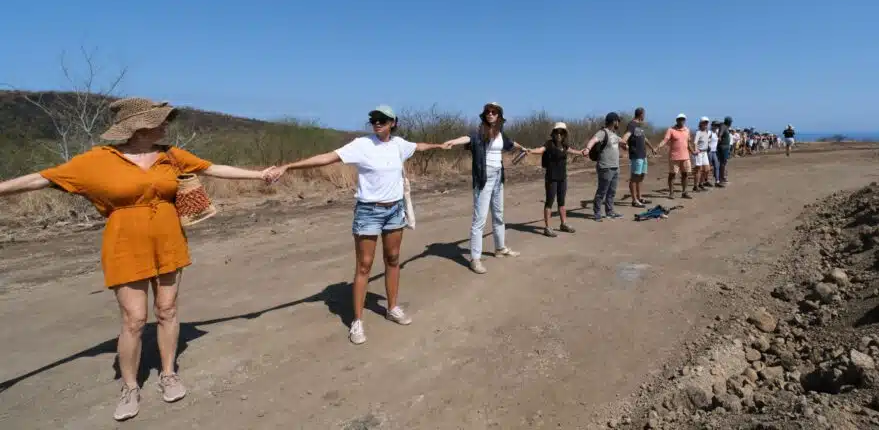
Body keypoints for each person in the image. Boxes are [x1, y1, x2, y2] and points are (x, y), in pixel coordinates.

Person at [0, 97, 273, 421]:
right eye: (160, 122)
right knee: (134, 319)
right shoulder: (98, 160)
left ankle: (169, 373)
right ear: (139, 128)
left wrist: (260, 176)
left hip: (169, 241)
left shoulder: (171, 156)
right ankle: (130, 387)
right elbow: (42, 178)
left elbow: (212, 168)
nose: (166, 126)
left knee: (167, 310)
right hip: (124, 245)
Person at [267, 105, 445, 345]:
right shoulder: (361, 145)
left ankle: (392, 307)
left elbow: (419, 146)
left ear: (393, 122)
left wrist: (440, 145)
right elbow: (326, 158)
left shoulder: (399, 145)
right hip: (369, 212)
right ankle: (357, 321)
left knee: (393, 258)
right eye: (373, 119)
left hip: (395, 210)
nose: (377, 123)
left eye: (382, 119)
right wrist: (288, 166)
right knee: (364, 265)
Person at [442, 102, 528, 274]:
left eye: (494, 112)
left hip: (498, 177)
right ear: (484, 115)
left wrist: (523, 147)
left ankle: (500, 248)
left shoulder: (500, 133)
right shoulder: (480, 132)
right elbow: (468, 138)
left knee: (499, 214)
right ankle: (475, 259)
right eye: (488, 111)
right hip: (484, 178)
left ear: (499, 116)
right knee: (479, 219)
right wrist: (453, 141)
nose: (490, 114)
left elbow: (510, 143)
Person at [526, 122, 584, 236]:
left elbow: (573, 151)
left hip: (562, 178)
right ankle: (547, 228)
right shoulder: (549, 144)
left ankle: (563, 224)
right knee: (549, 202)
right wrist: (530, 150)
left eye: (561, 133)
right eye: (557, 132)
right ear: (553, 133)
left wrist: (582, 152)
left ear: (564, 134)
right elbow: (540, 150)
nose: (559, 135)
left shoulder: (565, 146)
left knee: (561, 202)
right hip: (551, 178)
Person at [581, 112, 626, 221]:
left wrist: (626, 145)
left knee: (612, 192)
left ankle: (610, 212)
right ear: (614, 121)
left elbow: (622, 142)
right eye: (618, 121)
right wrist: (588, 149)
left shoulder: (614, 134)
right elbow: (593, 140)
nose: (619, 123)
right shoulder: (603, 132)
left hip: (615, 167)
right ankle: (597, 213)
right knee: (602, 191)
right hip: (605, 167)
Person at [621, 107, 658, 208]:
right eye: (644, 114)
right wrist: (625, 146)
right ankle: (634, 200)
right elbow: (624, 138)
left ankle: (639, 197)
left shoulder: (638, 126)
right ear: (641, 114)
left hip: (643, 155)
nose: (644, 116)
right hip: (636, 155)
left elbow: (643, 138)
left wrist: (652, 148)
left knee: (641, 176)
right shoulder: (632, 125)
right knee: (634, 177)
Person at [656, 113, 693, 199]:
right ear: (676, 120)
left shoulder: (687, 130)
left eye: (683, 119)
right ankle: (671, 193)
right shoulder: (671, 130)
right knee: (672, 175)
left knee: (685, 174)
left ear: (685, 120)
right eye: (680, 119)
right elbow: (665, 140)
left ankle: (684, 192)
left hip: (685, 156)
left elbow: (688, 143)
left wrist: (693, 151)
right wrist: (658, 147)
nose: (681, 121)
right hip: (674, 157)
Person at [692, 117, 713, 191]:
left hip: (705, 152)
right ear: (701, 123)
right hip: (699, 152)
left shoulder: (707, 132)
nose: (706, 124)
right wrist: (696, 150)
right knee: (698, 170)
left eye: (707, 123)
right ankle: (695, 186)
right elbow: (695, 142)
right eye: (704, 122)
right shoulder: (699, 132)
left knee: (707, 169)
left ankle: (701, 183)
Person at [716, 116, 733, 187]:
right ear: (728, 122)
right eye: (730, 122)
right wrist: (719, 137)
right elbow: (720, 134)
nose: (731, 123)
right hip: (723, 147)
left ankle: (722, 178)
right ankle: (721, 179)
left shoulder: (725, 126)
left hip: (725, 147)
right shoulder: (723, 126)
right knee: (722, 163)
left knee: (724, 163)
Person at [709, 120, 721, 185]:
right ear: (712, 125)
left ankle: (717, 181)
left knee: (717, 166)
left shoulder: (716, 133)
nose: (716, 126)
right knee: (708, 167)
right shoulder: (709, 132)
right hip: (709, 152)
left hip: (714, 151)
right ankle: (705, 180)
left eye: (717, 125)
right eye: (715, 125)